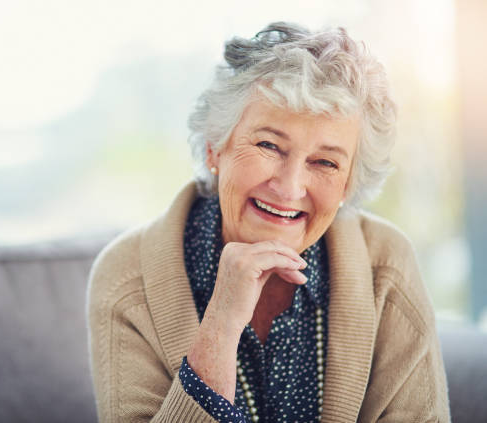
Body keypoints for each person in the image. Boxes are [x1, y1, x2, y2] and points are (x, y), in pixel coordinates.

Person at [87, 22, 450, 422]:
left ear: (349, 183)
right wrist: (220, 327)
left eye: (325, 162)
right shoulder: (127, 276)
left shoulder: (387, 266)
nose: (290, 187)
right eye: (268, 145)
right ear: (215, 148)